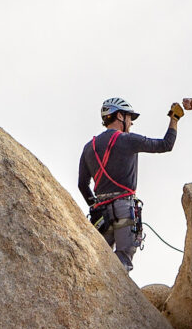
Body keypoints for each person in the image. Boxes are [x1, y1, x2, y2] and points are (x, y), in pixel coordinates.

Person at [78, 97, 184, 271]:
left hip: (101, 214)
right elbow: (166, 144)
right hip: (124, 209)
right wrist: (174, 119)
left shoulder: (89, 147)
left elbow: (82, 184)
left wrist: (96, 207)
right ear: (120, 116)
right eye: (129, 118)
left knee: (96, 264)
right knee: (122, 263)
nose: (131, 123)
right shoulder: (128, 140)